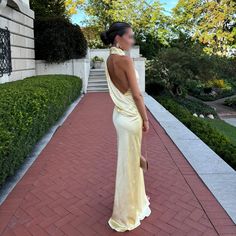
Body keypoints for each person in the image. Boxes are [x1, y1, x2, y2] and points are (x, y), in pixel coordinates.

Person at [100, 21, 151, 232]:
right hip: (131, 118)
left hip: (120, 116)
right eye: (129, 36)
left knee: (129, 162)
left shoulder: (109, 59)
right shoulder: (125, 61)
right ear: (117, 38)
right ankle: (124, 214)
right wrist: (146, 119)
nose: (132, 40)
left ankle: (136, 202)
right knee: (129, 166)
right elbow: (137, 95)